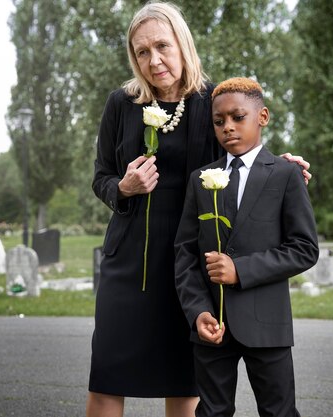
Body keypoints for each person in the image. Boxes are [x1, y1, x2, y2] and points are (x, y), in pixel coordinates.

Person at [88, 3, 311, 416]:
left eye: (162, 46)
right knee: (107, 377)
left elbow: (240, 148)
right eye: (141, 52)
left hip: (192, 264)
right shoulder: (121, 103)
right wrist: (123, 187)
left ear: (182, 44)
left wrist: (279, 168)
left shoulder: (210, 102)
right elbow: (101, 175)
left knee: (187, 383)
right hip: (129, 262)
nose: (153, 60)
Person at [174, 77, 319, 417]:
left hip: (267, 324)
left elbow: (304, 248)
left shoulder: (286, 174)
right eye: (219, 121)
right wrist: (197, 312)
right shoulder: (200, 180)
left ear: (262, 116)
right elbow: (184, 254)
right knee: (211, 412)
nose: (228, 128)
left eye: (238, 117)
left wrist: (240, 270)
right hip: (212, 324)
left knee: (279, 412)